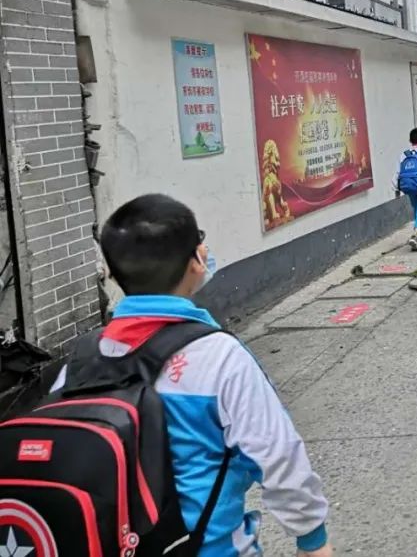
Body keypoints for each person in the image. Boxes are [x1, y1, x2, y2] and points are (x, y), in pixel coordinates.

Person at [52, 194, 332, 557]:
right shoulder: (219, 357)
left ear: (112, 271)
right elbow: (276, 454)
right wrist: (312, 539)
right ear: (197, 261)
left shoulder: (79, 361)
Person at [393, 127, 417, 251]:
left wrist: (396, 189)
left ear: (410, 140)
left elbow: (398, 173)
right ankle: (416, 235)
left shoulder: (404, 155)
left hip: (408, 187)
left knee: (416, 210)